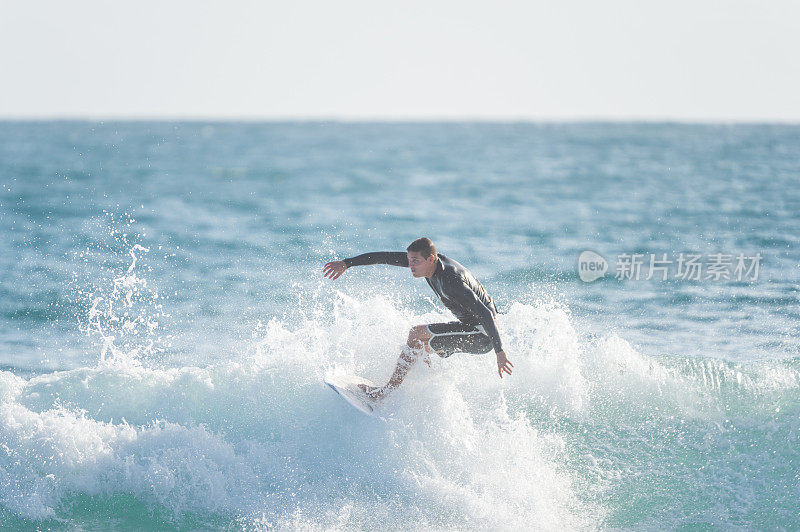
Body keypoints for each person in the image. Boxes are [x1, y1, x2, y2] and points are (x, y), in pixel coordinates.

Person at [322, 237, 512, 400]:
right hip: (470, 328)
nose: (410, 266)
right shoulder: (427, 264)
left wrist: (500, 352)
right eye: (409, 261)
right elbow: (384, 257)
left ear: (430, 259)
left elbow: (486, 313)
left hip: (482, 335)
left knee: (416, 334)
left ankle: (385, 393)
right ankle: (421, 395)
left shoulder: (451, 280)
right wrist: (347, 263)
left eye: (415, 261)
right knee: (418, 346)